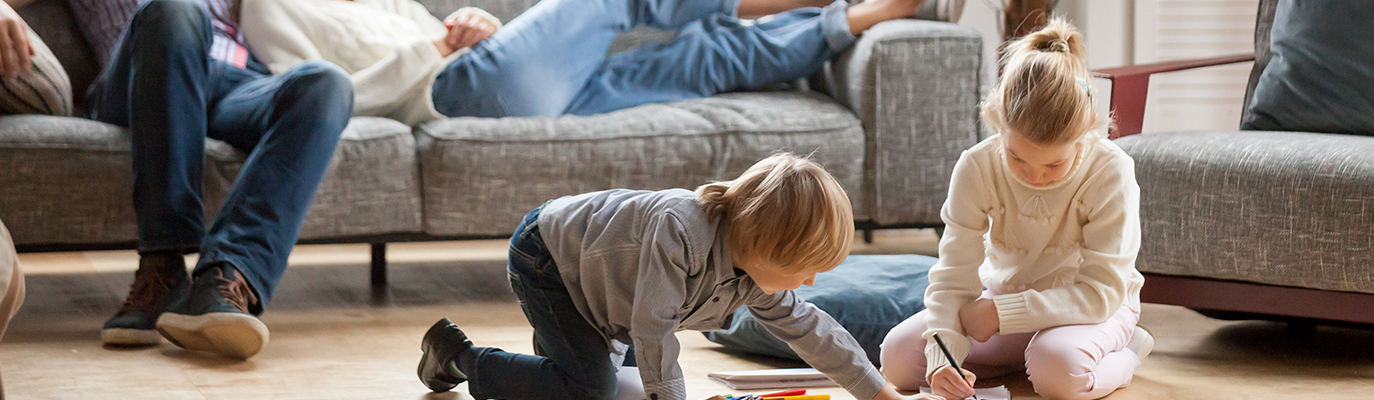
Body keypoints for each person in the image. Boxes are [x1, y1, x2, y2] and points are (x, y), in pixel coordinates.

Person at [417, 154, 943, 400]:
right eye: (802, 268)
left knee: (596, 384)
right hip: (550, 258)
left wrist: (877, 393)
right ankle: (458, 357)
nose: (807, 283)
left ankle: (555, 370)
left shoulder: (759, 274)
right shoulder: (680, 230)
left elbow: (811, 329)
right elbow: (653, 330)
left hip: (605, 288)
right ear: (761, 244)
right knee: (591, 390)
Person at [876, 19, 1152, 400]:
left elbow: (1101, 292)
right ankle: (1026, 356)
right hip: (1007, 301)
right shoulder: (976, 165)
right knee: (897, 361)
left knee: (1057, 373)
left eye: (1054, 165)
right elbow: (954, 277)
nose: (1035, 177)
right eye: (1017, 159)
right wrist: (944, 357)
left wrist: (1001, 314)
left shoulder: (1111, 171)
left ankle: (1126, 352)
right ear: (996, 119)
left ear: (1087, 128)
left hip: (1096, 309)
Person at [85, 0, 355, 360]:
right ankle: (161, 267)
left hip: (231, 79)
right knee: (175, 8)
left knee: (327, 84)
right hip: (142, 71)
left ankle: (227, 275)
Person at [238, 0, 952, 125]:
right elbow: (326, 95)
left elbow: (433, 31)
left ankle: (858, 16)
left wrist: (469, 25)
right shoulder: (266, 8)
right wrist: (435, 48)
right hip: (461, 91)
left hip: (493, 77)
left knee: (696, 62)